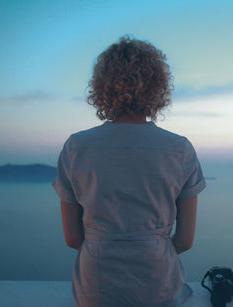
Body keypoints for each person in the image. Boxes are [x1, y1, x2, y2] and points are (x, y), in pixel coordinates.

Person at [51, 35, 206, 307]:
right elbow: (185, 241)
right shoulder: (179, 149)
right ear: (157, 86)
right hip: (157, 283)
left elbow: (73, 238)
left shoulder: (77, 147)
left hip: (95, 286)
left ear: (102, 87)